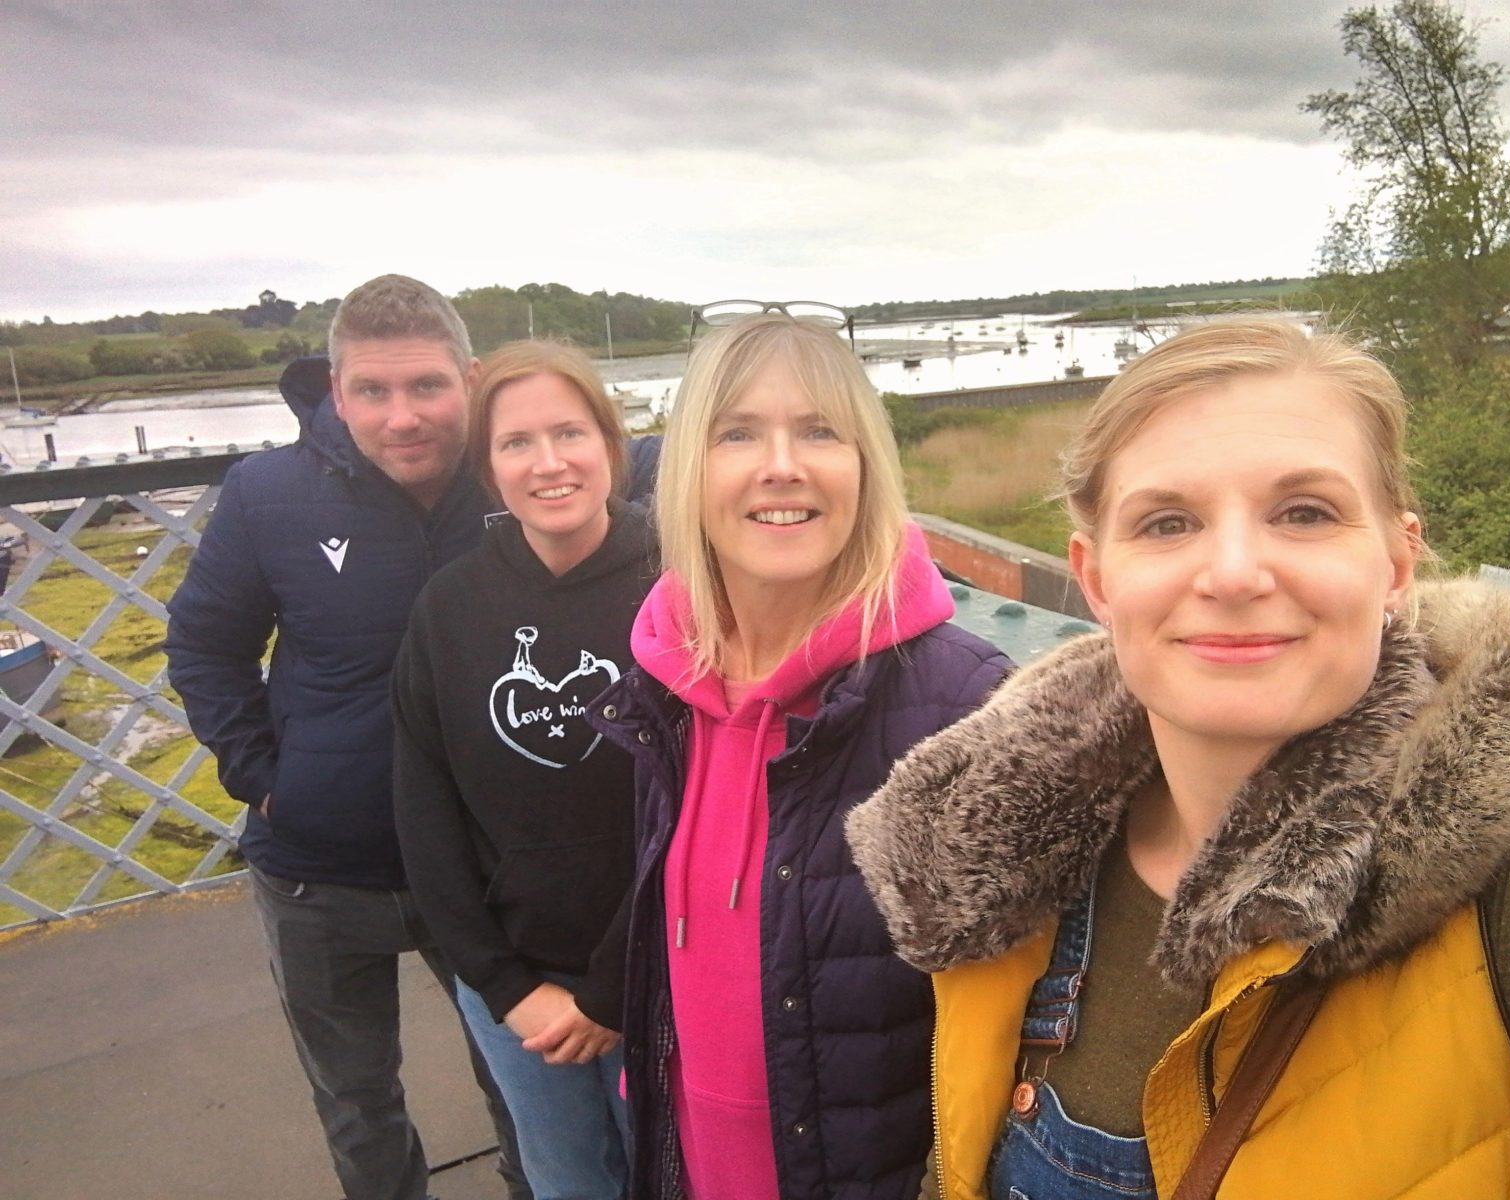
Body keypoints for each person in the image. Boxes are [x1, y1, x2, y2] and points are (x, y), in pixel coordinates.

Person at [847, 317, 1510, 1200]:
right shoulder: (1008, 853)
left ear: (1396, 563)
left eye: (1305, 513)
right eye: (1168, 523)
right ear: (1095, 579)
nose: (1235, 572)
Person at [589, 306, 1012, 1200]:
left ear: (865, 467)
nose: (781, 463)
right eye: (737, 432)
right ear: (689, 472)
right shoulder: (666, 687)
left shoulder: (963, 703)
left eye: (820, 430)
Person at [164, 275, 530, 1200]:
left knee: (524, 1083)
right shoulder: (264, 493)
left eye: (427, 388)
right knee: (358, 1100)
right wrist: (263, 776)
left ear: (472, 379)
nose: (402, 417)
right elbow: (206, 644)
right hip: (318, 868)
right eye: (372, 390)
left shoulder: (523, 476)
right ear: (337, 391)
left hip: (485, 865)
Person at [392, 339, 656, 1200]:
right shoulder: (450, 608)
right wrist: (508, 988)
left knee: (670, 1173)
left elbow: (711, 806)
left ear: (609, 446)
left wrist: (613, 988)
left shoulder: (680, 582)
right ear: (488, 466)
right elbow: (425, 811)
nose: (549, 464)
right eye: (516, 443)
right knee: (566, 1181)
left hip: (659, 976)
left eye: (570, 433)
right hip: (517, 989)